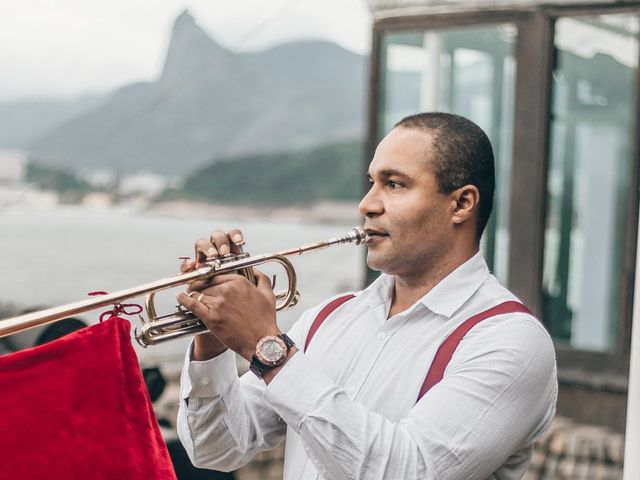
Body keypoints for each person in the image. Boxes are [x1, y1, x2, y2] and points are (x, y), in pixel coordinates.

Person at [175, 112, 557, 479]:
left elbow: (406, 472)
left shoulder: (510, 341)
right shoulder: (329, 317)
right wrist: (214, 338)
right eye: (372, 182)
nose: (367, 204)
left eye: (394, 184)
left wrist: (266, 346)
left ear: (460, 204)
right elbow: (217, 450)